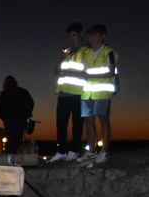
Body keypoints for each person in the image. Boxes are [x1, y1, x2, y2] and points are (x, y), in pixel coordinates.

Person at [47, 23, 89, 162]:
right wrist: (61, 56)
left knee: (77, 124)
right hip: (64, 93)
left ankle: (74, 151)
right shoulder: (68, 51)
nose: (71, 38)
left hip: (78, 92)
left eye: (74, 35)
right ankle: (61, 151)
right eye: (70, 35)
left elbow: (88, 70)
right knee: (61, 123)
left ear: (80, 34)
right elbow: (56, 71)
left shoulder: (86, 50)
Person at [78, 24, 118, 167]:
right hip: (87, 91)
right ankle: (92, 152)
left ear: (103, 36)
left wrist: (90, 74)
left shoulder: (109, 52)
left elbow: (111, 71)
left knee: (103, 119)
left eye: (95, 35)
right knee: (88, 120)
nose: (92, 38)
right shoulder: (87, 53)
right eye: (90, 35)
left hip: (102, 91)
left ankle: (104, 152)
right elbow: (83, 70)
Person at [0, 76, 35, 154]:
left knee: (10, 139)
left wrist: (2, 116)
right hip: (19, 119)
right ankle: (17, 157)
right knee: (19, 139)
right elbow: (30, 103)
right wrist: (27, 114)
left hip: (10, 120)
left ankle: (10, 158)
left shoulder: (5, 94)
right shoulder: (23, 92)